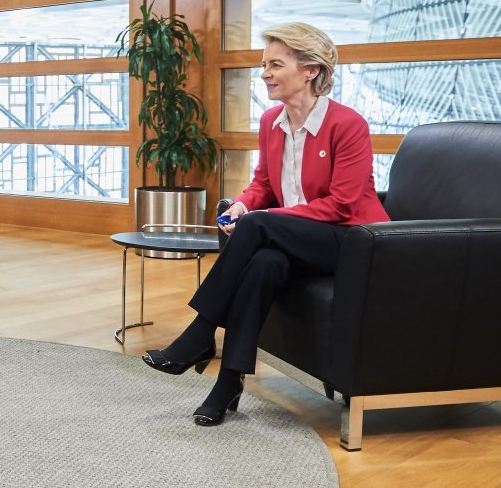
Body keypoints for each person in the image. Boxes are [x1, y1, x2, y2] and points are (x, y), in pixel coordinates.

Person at [141, 22, 389, 426]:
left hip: (354, 241)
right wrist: (242, 205)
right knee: (263, 266)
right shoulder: (271, 121)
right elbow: (264, 184)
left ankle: (200, 334)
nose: (265, 74)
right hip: (301, 238)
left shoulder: (347, 124)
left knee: (258, 227)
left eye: (275, 65)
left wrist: (261, 217)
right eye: (264, 65)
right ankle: (227, 384)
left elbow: (343, 205)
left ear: (311, 70)